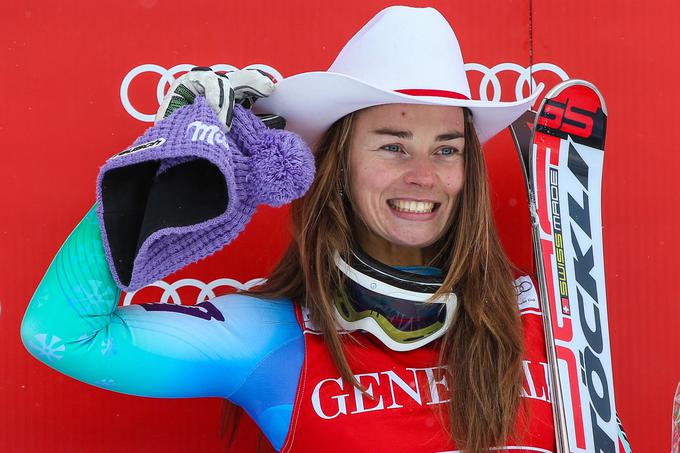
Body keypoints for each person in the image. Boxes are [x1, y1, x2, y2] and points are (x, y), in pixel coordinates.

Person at [20, 6, 631, 453]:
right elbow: (60, 334)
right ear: (337, 165)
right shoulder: (271, 337)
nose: (424, 176)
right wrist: (161, 175)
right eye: (393, 146)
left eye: (447, 150)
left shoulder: (543, 319)